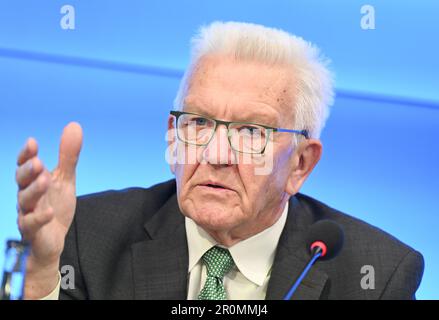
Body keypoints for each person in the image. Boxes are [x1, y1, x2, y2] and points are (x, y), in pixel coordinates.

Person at [15, 21, 423, 300]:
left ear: (300, 164)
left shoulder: (376, 273)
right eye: (198, 123)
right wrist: (42, 271)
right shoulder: (86, 234)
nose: (215, 154)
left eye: (251, 133)